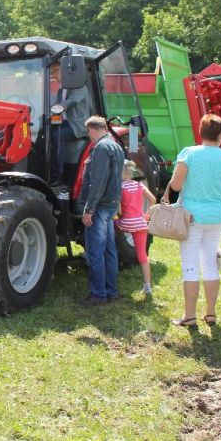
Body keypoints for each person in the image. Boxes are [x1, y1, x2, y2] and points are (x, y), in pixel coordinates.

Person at [168, 114, 221, 327]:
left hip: (191, 216)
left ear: (200, 132)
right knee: (210, 265)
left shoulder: (189, 153)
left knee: (190, 266)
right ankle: (211, 313)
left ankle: (189, 316)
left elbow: (176, 185)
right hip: (216, 216)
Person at [78, 116, 124, 305]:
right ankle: (111, 291)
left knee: (95, 251)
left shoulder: (101, 148)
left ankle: (98, 294)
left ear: (92, 130)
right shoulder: (116, 146)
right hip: (111, 203)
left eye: (88, 132)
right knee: (109, 250)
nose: (89, 136)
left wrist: (88, 209)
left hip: (99, 206)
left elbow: (97, 181)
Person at [117, 160, 157, 295]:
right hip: (140, 223)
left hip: (126, 224)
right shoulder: (140, 185)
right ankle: (148, 287)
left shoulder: (121, 188)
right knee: (142, 255)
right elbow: (152, 200)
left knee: (110, 226)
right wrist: (146, 216)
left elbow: (120, 212)